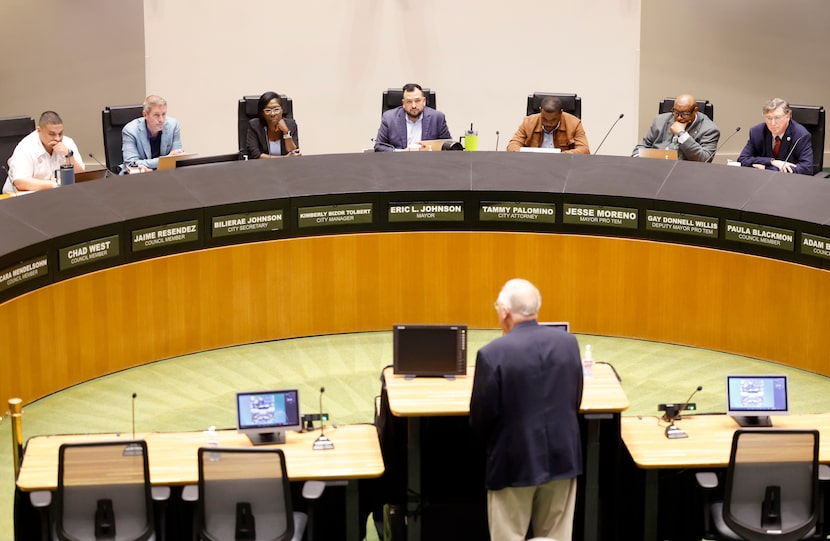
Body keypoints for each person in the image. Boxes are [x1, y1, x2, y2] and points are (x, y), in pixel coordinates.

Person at [469, 278, 583, 541]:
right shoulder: (568, 343)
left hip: (513, 466)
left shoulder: (492, 353)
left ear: (505, 312)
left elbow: (481, 419)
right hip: (562, 459)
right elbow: (575, 400)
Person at [3, 111, 85, 193]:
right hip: (20, 197)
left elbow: (80, 176)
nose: (58, 138)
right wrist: (55, 185)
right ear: (39, 130)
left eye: (60, 133)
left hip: (55, 194)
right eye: (52, 134)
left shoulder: (67, 143)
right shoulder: (26, 147)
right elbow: (20, 182)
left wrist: (69, 155)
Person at [632, 94, 720, 162]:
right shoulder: (660, 120)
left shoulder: (709, 130)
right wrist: (637, 158)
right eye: (676, 112)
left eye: (684, 114)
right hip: (656, 167)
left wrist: (682, 134)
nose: (679, 117)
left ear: (695, 111)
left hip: (686, 174)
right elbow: (641, 147)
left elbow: (704, 159)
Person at [738, 98, 813, 175]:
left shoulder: (801, 135)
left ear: (788, 116)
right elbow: (743, 159)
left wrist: (767, 168)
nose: (773, 123)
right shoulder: (757, 132)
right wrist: (771, 161)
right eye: (769, 118)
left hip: (789, 182)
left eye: (777, 118)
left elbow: (806, 168)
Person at [374, 83, 451, 151]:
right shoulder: (389, 118)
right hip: (399, 163)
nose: (414, 106)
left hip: (428, 163)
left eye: (417, 101)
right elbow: (379, 146)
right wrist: (401, 153)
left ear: (424, 101)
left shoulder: (437, 118)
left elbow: (448, 146)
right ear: (403, 103)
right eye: (409, 102)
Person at [121, 95, 184, 172]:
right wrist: (166, 160)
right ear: (145, 115)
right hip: (138, 175)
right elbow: (131, 164)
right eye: (156, 115)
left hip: (165, 174)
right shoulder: (130, 130)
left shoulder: (173, 125)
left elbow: (177, 158)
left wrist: (170, 159)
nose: (161, 120)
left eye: (163, 114)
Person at [507, 96, 590, 153]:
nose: (548, 123)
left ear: (561, 114)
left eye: (553, 120)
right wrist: (528, 155)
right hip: (532, 167)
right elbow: (512, 146)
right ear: (540, 111)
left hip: (562, 168)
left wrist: (561, 156)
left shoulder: (574, 124)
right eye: (544, 119)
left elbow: (584, 150)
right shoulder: (528, 122)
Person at [244, 91, 300, 159]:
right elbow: (256, 155)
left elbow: (293, 153)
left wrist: (286, 132)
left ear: (282, 110)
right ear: (262, 112)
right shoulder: (255, 126)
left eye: (276, 109)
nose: (272, 114)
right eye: (268, 110)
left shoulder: (291, 125)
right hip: (262, 167)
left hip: (286, 167)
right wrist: (284, 158)